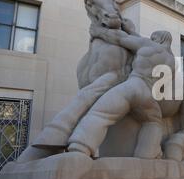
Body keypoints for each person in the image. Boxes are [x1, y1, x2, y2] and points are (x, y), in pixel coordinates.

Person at [67, 27, 175, 159]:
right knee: (154, 122)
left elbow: (120, 38)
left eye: (153, 37)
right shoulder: (172, 61)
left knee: (101, 113)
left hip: (133, 86)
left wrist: (99, 32)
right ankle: (146, 154)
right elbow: (162, 88)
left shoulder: (147, 45)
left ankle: (80, 145)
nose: (150, 39)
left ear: (157, 39)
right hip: (149, 95)